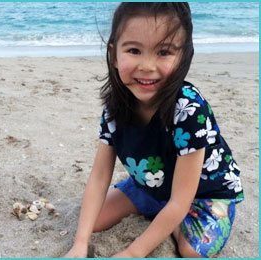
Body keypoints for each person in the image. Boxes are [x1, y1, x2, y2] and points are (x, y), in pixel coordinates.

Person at [63, 2, 244, 258]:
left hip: (203, 194)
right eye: (134, 50)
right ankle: (159, 208)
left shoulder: (189, 108)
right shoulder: (115, 106)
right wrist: (80, 243)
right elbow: (100, 176)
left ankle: (172, 221)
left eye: (164, 52)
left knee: (191, 250)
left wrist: (132, 252)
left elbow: (182, 199)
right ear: (114, 54)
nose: (147, 66)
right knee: (93, 220)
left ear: (184, 55)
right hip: (152, 184)